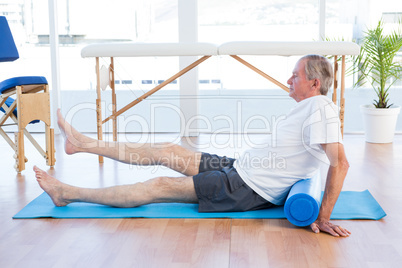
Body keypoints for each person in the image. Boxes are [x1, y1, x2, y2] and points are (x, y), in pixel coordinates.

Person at [34, 54, 351, 237]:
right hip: (238, 167)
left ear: (315, 83)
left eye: (294, 75)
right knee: (167, 150)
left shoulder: (321, 108)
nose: (288, 79)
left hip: (244, 186)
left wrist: (323, 217)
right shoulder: (310, 108)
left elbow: (341, 163)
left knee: (158, 185)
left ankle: (67, 193)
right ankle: (82, 143)